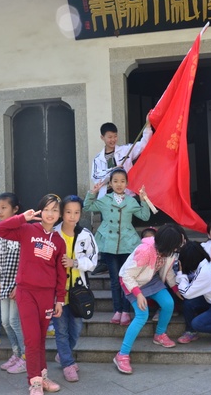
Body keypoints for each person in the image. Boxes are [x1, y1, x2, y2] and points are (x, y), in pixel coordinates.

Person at [0, 193, 66, 395]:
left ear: (59, 214)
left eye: (55, 210)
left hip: (47, 296)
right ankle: (34, 382)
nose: (50, 214)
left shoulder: (59, 241)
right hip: (26, 293)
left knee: (40, 339)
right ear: (40, 211)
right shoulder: (27, 229)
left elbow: (61, 273)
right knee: (32, 339)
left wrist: (60, 299)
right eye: (46, 209)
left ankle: (42, 376)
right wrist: (22, 218)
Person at [114, 223, 186, 375]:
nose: (177, 248)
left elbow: (168, 272)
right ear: (168, 244)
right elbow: (127, 275)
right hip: (132, 282)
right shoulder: (145, 251)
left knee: (168, 303)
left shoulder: (168, 251)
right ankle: (122, 355)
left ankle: (159, 334)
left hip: (150, 279)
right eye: (176, 245)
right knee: (142, 315)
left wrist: (175, 289)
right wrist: (138, 294)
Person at [84, 168, 151, 326]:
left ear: (127, 183)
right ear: (110, 184)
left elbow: (145, 216)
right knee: (114, 280)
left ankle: (126, 311)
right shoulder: (105, 200)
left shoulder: (131, 201)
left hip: (128, 245)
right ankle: (117, 311)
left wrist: (143, 200)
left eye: (122, 181)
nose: (119, 184)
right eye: (115, 181)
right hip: (109, 244)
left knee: (126, 279)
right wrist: (92, 193)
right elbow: (87, 207)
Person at [90, 119, 152, 275]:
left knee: (126, 227)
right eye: (109, 137)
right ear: (102, 137)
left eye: (115, 136)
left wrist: (148, 127)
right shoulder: (98, 159)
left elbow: (143, 145)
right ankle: (105, 260)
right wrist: (111, 172)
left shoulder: (125, 150)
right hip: (107, 200)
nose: (113, 140)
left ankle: (128, 257)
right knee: (106, 229)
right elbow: (96, 177)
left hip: (126, 197)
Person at [53, 195, 98, 382]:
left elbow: (93, 262)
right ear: (62, 213)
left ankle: (64, 354)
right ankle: (67, 363)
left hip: (78, 291)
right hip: (57, 292)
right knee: (61, 329)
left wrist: (75, 263)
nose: (72, 216)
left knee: (77, 327)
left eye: (76, 212)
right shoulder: (53, 233)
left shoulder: (86, 235)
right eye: (68, 212)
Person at [0, 192, 26, 374]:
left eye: (4, 208)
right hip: (4, 283)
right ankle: (16, 353)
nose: (0, 211)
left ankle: (26, 357)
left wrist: (19, 285)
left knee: (14, 321)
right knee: (5, 322)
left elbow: (25, 262)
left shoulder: (22, 230)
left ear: (15, 209)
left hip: (17, 285)